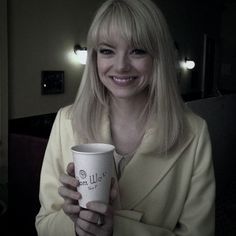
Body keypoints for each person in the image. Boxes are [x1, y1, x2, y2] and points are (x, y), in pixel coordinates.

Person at [35, 0, 215, 235]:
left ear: (157, 57)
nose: (120, 66)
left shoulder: (194, 133)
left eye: (137, 51)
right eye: (107, 51)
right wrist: (75, 223)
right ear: (94, 58)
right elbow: (45, 223)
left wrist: (118, 230)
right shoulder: (66, 121)